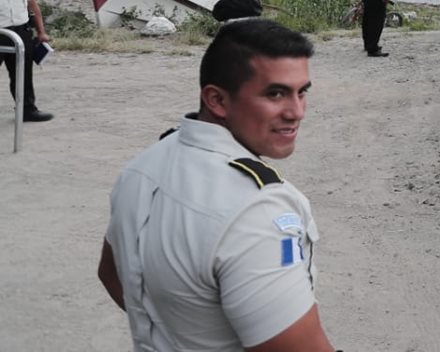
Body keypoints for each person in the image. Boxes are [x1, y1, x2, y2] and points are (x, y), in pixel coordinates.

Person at [97, 19, 337, 352]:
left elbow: (112, 273)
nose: (296, 112)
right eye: (276, 93)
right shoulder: (256, 212)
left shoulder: (143, 167)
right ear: (217, 100)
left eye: (302, 92)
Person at [0, 0, 53, 122]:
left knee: (22, 74)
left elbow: (33, 7)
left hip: (21, 32)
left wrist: (41, 31)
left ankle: (27, 110)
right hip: (0, 32)